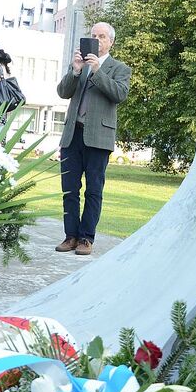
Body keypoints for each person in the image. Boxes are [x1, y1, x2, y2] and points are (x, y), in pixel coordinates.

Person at [55, 22, 130, 256]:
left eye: (102, 36)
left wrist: (98, 71)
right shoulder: (79, 66)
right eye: (93, 35)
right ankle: (71, 236)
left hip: (99, 137)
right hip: (72, 135)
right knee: (69, 189)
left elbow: (119, 94)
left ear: (110, 42)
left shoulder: (119, 68)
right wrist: (76, 70)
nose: (96, 40)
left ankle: (86, 238)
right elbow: (63, 92)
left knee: (93, 190)